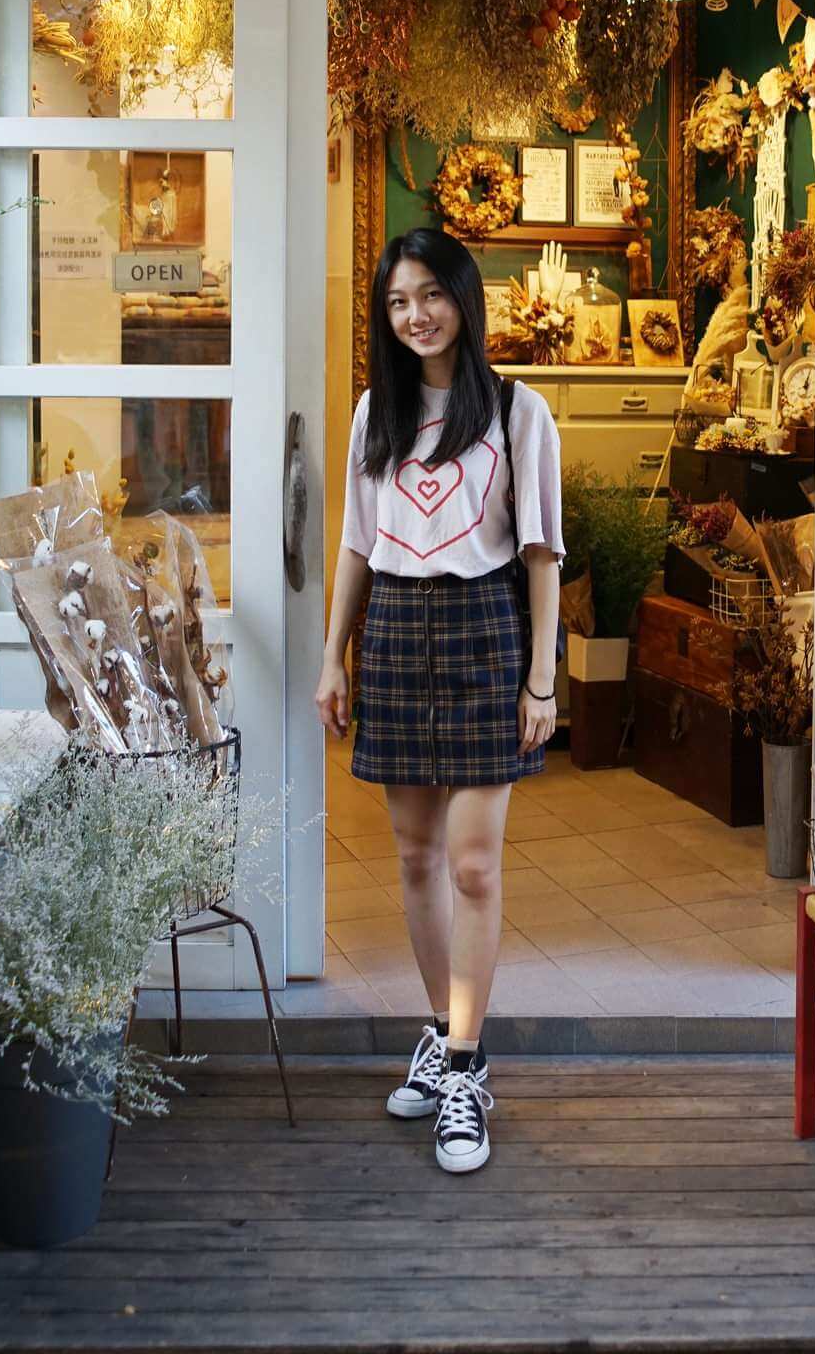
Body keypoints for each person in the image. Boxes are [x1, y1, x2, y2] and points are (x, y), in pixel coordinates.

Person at [315, 227, 563, 1174]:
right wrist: (334, 658)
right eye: (396, 301)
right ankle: (444, 1032)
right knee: (415, 856)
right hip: (392, 633)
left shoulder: (515, 409)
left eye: (430, 294)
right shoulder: (374, 411)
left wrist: (541, 680)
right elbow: (356, 543)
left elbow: (541, 553)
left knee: (473, 866)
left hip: (483, 631)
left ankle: (463, 1069)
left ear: (463, 296)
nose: (415, 315)